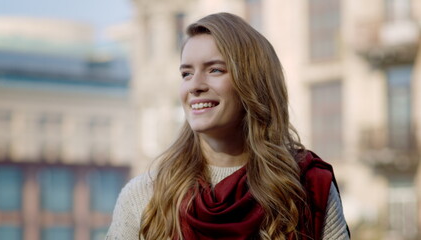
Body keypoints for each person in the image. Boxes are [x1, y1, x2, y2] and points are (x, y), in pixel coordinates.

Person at [106, 12, 350, 240]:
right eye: (186, 74)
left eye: (214, 70)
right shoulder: (144, 196)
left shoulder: (307, 188)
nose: (195, 86)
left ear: (253, 83)